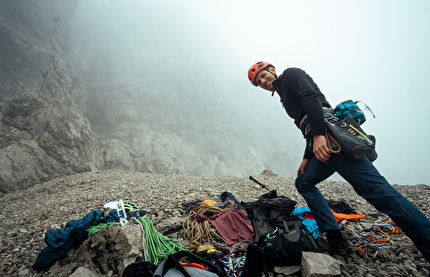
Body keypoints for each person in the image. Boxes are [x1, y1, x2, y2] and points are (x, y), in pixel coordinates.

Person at [247, 61, 430, 261]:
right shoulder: (283, 92)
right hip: (324, 141)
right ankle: (335, 237)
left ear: (272, 70)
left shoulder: (291, 74)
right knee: (303, 182)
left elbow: (311, 99)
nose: (264, 81)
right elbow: (306, 124)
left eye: (264, 76)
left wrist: (318, 136)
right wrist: (307, 157)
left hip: (331, 138)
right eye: (259, 82)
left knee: (380, 193)